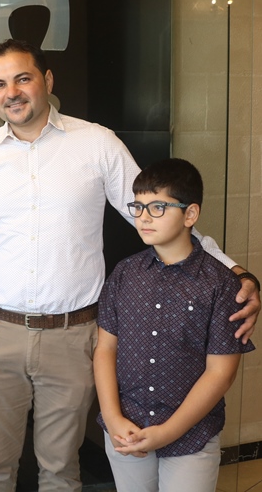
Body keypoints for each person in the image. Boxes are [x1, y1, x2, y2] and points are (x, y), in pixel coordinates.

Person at [0, 38, 261, 491]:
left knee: (61, 471)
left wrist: (235, 272)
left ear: (47, 80)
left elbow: (160, 214)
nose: (11, 92)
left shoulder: (96, 143)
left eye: (22, 78)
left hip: (73, 337)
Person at [94, 158, 254, 492]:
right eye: (138, 207)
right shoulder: (124, 274)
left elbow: (221, 373)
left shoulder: (221, 284)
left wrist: (168, 432)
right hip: (126, 427)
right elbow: (106, 348)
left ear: (190, 214)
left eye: (158, 207)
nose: (144, 217)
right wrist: (112, 417)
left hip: (192, 435)